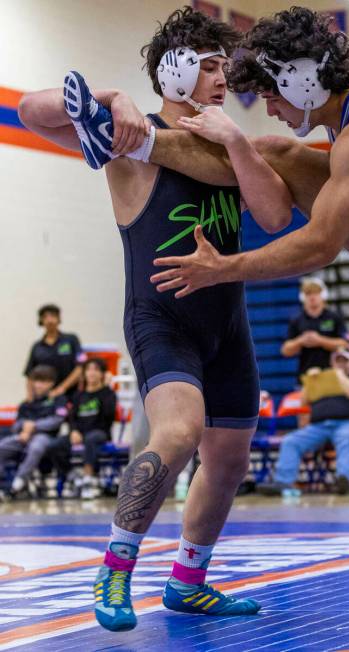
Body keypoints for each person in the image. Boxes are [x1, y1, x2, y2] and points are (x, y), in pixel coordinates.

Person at [126, 7, 349, 618]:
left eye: (268, 92)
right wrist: (146, 133)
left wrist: (224, 268)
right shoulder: (340, 106)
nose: (267, 105)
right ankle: (143, 141)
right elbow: (282, 167)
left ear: (299, 79)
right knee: (268, 152)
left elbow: (319, 246)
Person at [18, 7, 293, 632]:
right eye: (211, 65)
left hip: (228, 321)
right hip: (162, 319)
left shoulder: (226, 142)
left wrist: (236, 140)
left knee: (228, 460)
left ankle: (189, 581)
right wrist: (109, 95)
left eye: (226, 66)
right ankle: (116, 566)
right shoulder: (128, 138)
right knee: (178, 434)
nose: (224, 77)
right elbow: (30, 113)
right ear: (174, 71)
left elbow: (276, 217)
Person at [259, 349, 349, 496]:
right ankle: (282, 482)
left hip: (347, 423)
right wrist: (310, 382)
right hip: (318, 426)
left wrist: (339, 375)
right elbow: (303, 402)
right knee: (291, 441)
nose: (341, 364)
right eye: (338, 361)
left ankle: (344, 481)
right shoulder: (321, 382)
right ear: (331, 362)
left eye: (345, 361)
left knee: (346, 440)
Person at [48, 358, 117, 500]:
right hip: (79, 433)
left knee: (90, 439)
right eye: (88, 369)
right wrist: (73, 431)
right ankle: (72, 477)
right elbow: (71, 418)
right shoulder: (78, 395)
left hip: (100, 432)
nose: (92, 373)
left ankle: (87, 480)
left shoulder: (108, 394)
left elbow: (108, 416)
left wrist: (105, 387)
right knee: (54, 445)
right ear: (84, 373)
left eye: (96, 370)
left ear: (102, 374)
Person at [0, 365, 68, 497]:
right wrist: (24, 426)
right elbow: (16, 426)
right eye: (37, 381)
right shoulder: (26, 403)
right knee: (3, 446)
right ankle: (2, 484)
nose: (38, 385)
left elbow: (57, 420)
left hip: (46, 437)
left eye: (43, 381)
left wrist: (34, 425)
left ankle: (18, 483)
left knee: (36, 446)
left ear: (51, 383)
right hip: (24, 437)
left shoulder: (58, 400)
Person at [282, 276, 349, 382]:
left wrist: (320, 341)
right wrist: (301, 341)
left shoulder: (334, 317)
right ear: (303, 297)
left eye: (315, 293)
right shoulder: (297, 320)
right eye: (308, 294)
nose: (312, 297)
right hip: (305, 377)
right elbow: (285, 350)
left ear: (323, 295)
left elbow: (345, 344)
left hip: (332, 376)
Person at [24, 304, 86, 400]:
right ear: (41, 321)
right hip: (44, 398)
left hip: (71, 395)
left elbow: (80, 367)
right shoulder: (37, 346)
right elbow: (30, 375)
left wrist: (61, 389)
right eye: (45, 317)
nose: (49, 320)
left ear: (59, 319)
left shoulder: (71, 340)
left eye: (53, 316)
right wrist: (30, 398)